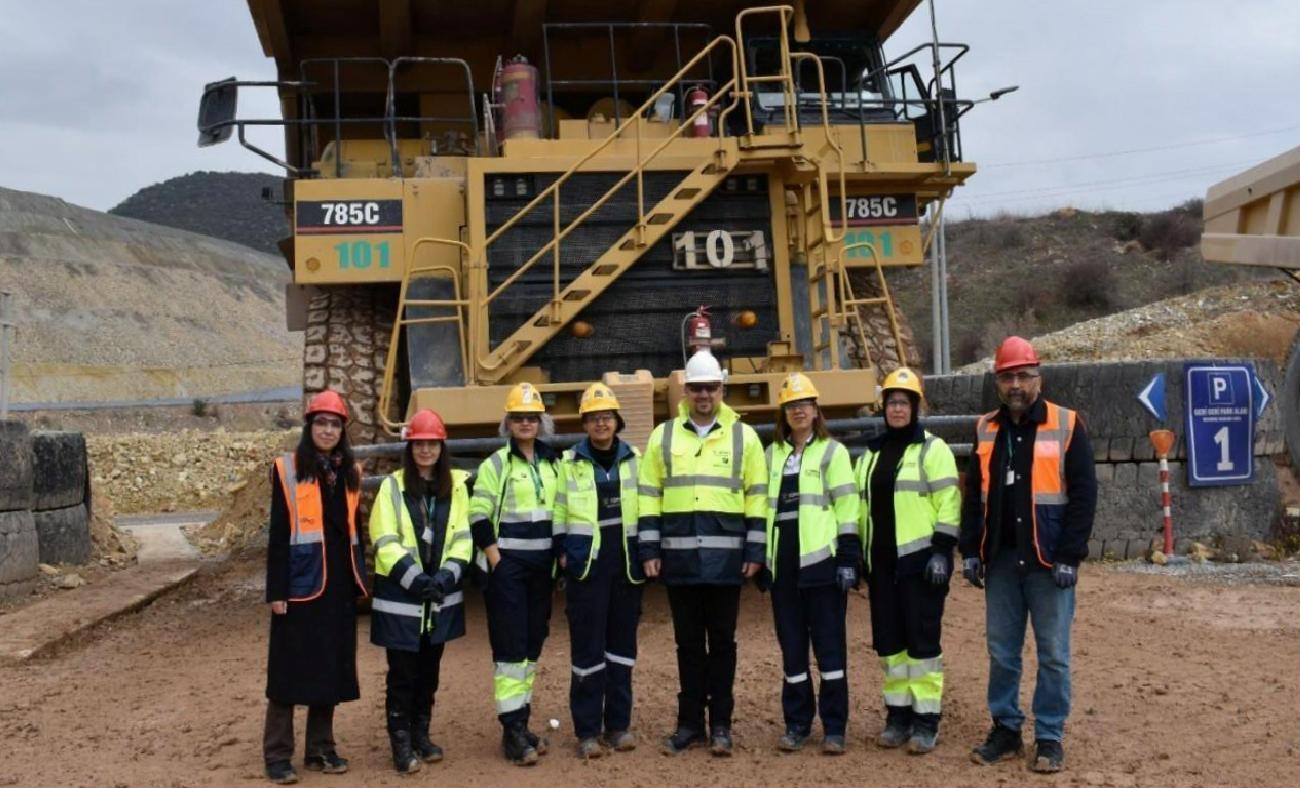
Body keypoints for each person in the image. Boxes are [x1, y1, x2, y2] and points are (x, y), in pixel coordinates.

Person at [960, 336, 1096, 774]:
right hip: (1001, 560)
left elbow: (1084, 497)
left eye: (1022, 375)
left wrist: (1070, 557)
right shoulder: (986, 428)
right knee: (1003, 652)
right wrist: (970, 550)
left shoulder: (1066, 423)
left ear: (1038, 377)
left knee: (1053, 652)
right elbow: (974, 496)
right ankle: (1006, 729)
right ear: (997, 381)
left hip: (1047, 561)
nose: (1015, 384)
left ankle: (1050, 736)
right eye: (1007, 377)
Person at [638, 349, 768, 757]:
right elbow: (648, 497)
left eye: (711, 387)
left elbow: (758, 498)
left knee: (724, 645)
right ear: (685, 391)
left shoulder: (744, 437)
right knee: (688, 646)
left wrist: (756, 549)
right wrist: (648, 546)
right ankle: (689, 724)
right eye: (696, 388)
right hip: (679, 561)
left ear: (722, 389)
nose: (704, 394)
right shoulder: (664, 436)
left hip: (726, 563)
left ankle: (723, 727)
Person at [262, 390, 367, 785]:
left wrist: (360, 579)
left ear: (343, 431)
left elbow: (355, 532)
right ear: (309, 428)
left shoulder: (349, 473)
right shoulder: (287, 470)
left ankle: (321, 748)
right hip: (301, 585)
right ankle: (277, 755)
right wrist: (276, 592)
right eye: (321, 423)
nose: (328, 430)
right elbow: (277, 537)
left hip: (338, 585)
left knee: (330, 667)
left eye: (335, 424)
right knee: (288, 672)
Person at [854, 368, 960, 755]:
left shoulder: (934, 450)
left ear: (915, 407)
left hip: (919, 565)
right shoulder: (871, 453)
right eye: (891, 402)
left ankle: (926, 721)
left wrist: (941, 552)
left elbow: (948, 503)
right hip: (881, 565)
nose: (896, 409)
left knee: (922, 645)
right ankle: (897, 716)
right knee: (889, 645)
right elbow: (860, 506)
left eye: (903, 402)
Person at [368, 409, 473, 772]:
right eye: (419, 444)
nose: (426, 450)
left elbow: (463, 537)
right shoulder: (392, 487)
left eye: (432, 443)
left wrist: (446, 577)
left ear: (441, 447)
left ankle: (420, 735)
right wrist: (417, 580)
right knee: (402, 675)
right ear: (409, 448)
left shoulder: (455, 488)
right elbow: (384, 539)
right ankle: (400, 743)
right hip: (403, 598)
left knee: (429, 673)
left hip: (437, 599)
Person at [762, 373, 860, 755]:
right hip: (783, 566)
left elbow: (847, 507)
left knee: (830, 650)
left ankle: (835, 728)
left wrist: (848, 558)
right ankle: (797, 724)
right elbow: (762, 508)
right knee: (792, 650)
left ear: (816, 410)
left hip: (821, 563)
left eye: (803, 404)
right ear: (784, 413)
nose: (798, 411)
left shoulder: (832, 453)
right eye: (790, 406)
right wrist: (762, 558)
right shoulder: (772, 456)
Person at [469, 382, 561, 766]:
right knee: (510, 650)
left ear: (541, 422)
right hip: (508, 570)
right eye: (519, 418)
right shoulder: (496, 465)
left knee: (531, 645)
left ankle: (521, 722)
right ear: (508, 423)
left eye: (532, 418)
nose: (525, 423)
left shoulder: (553, 462)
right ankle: (512, 730)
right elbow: (477, 514)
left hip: (543, 570)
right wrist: (496, 560)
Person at [555, 383, 645, 759]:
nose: (601, 423)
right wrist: (562, 553)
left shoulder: (634, 459)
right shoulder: (569, 462)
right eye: (593, 418)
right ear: (585, 423)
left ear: (617, 421)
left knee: (621, 650)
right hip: (586, 568)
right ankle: (588, 732)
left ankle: (618, 727)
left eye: (606, 417)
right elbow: (559, 512)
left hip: (625, 566)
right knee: (588, 652)